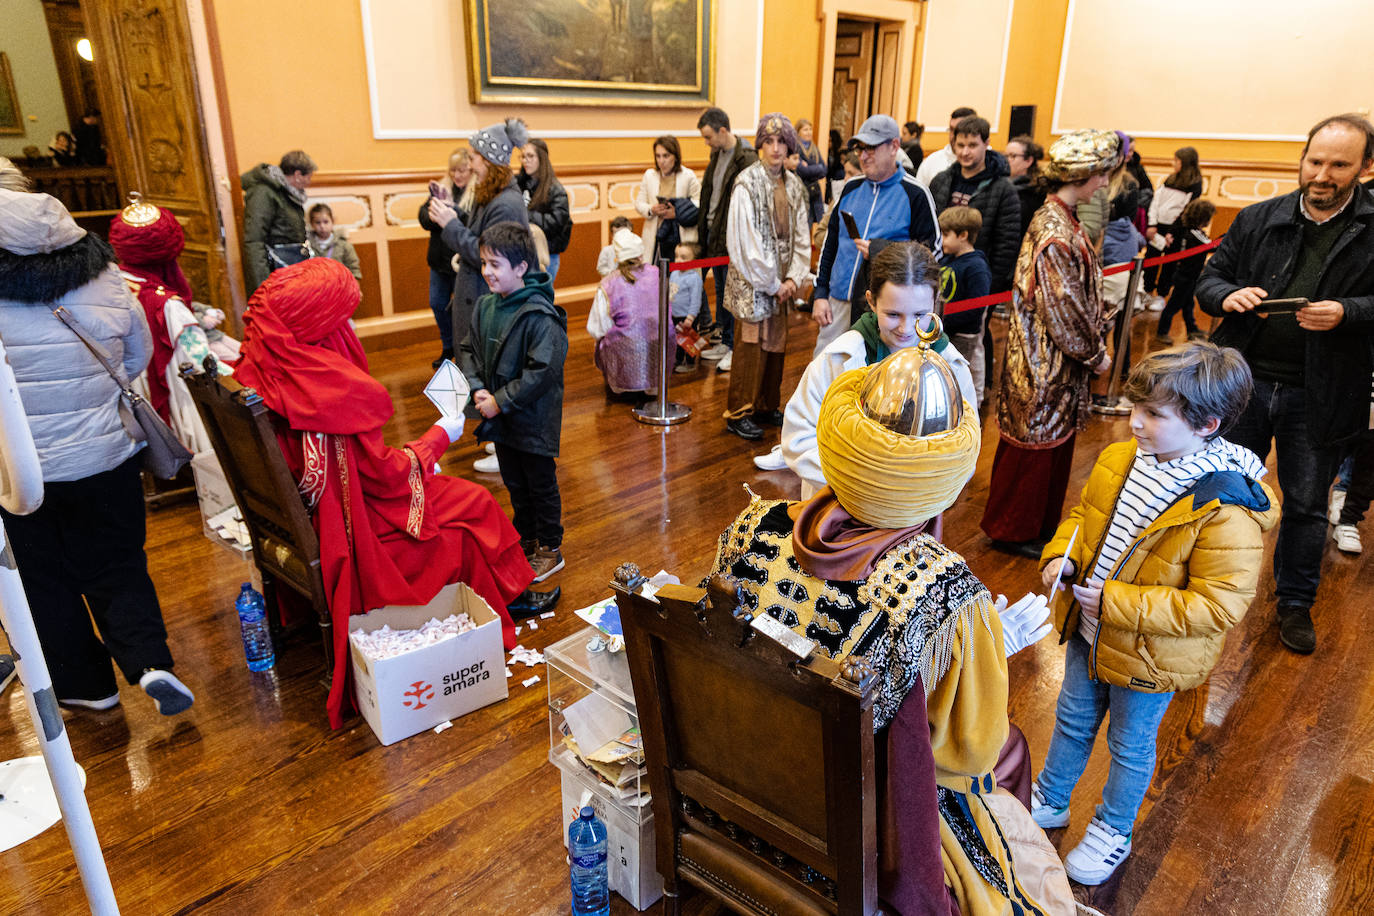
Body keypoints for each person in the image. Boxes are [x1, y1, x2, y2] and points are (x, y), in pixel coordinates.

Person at [712, 354, 1077, 916]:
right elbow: (966, 749)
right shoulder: (950, 594)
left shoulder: (752, 524)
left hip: (739, 752)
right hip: (847, 801)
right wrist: (985, 652)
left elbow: (718, 633)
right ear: (944, 478)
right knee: (1008, 749)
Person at [234, 257, 547, 728]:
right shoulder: (326, 394)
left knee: (460, 495)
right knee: (475, 503)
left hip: (315, 510)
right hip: (354, 525)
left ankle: (505, 593)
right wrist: (438, 438)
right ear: (323, 326)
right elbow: (384, 476)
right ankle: (503, 597)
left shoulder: (265, 366)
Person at [1033, 342, 1277, 885]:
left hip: (1150, 655)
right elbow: (1083, 517)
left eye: (1153, 414)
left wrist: (1117, 603)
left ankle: (1113, 829)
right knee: (1071, 720)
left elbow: (1219, 604)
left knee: (1130, 744)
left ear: (1208, 424)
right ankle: (1050, 797)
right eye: (1134, 406)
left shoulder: (1226, 508)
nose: (1134, 422)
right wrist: (1062, 558)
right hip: (1088, 630)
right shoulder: (1120, 458)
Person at [0, 186, 193, 716]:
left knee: (44, 579)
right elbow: (136, 354)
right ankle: (150, 662)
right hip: (106, 454)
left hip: (21, 472)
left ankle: (88, 686)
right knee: (119, 563)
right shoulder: (105, 274)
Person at [1196, 113, 1374, 654]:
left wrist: (1348, 312)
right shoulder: (1256, 219)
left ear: (1365, 168)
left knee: (1305, 505)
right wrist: (1227, 296)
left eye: (1339, 165)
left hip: (1318, 392)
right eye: (1315, 161)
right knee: (1221, 493)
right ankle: (1209, 586)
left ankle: (1294, 603)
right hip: (1243, 384)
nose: (1322, 174)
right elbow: (1209, 280)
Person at [980, 129, 1120, 557]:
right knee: (1035, 446)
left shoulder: (1060, 218)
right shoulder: (1055, 228)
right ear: (1084, 174)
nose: (1104, 184)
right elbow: (1063, 306)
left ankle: (1033, 527)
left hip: (1051, 359)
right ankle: (1013, 530)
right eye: (1101, 175)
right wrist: (1096, 353)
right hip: (1045, 361)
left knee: (1048, 445)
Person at [761, 241, 976, 492]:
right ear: (871, 301)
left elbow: (966, 446)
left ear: (935, 303)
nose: (906, 329)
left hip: (914, 509)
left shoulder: (953, 366)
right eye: (893, 314)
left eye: (920, 314)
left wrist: (919, 486)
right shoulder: (837, 359)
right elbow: (798, 437)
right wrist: (863, 483)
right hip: (838, 501)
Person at [457, 222, 569, 583]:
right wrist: (477, 390)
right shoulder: (486, 306)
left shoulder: (539, 315)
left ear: (521, 268)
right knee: (514, 483)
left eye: (495, 264)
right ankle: (528, 540)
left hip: (533, 420)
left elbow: (543, 372)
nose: (487, 272)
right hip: (501, 420)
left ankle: (550, 548)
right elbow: (468, 350)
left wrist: (501, 401)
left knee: (539, 484)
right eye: (484, 263)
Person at [108, 194, 238, 455]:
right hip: (177, 405)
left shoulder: (109, 284)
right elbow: (205, 367)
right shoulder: (167, 307)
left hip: (123, 403)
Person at [812, 115, 941, 355]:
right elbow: (830, 245)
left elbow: (931, 255)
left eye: (871, 147)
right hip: (837, 301)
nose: (863, 155)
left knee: (873, 378)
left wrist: (881, 249)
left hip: (884, 312)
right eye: (860, 148)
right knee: (826, 370)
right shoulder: (850, 187)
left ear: (893, 147)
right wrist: (820, 294)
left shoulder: (916, 193)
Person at [721, 113, 810, 441]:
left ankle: (765, 404)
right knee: (750, 345)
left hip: (782, 284)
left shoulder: (795, 184)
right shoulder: (747, 182)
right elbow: (746, 243)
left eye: (782, 142)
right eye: (769, 142)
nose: (775, 148)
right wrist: (772, 283)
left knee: (775, 343)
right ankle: (739, 410)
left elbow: (802, 235)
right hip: (754, 282)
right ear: (760, 144)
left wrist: (794, 278)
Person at [427, 118, 531, 357]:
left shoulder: (506, 203)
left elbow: (488, 255)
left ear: (489, 160)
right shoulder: (493, 193)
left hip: (486, 300)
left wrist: (450, 224)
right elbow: (481, 232)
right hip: (477, 297)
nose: (470, 164)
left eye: (474, 156)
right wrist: (455, 212)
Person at [695, 108, 758, 370]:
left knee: (732, 294)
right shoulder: (716, 154)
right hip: (713, 232)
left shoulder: (746, 158)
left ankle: (733, 346)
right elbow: (710, 194)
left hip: (730, 236)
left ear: (723, 130)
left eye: (709, 136)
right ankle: (724, 339)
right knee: (720, 291)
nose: (706, 142)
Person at [587, 227, 667, 396]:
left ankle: (620, 384)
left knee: (603, 337)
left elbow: (596, 328)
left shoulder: (608, 283)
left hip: (623, 349)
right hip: (658, 346)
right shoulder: (657, 273)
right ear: (641, 254)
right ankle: (651, 383)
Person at [417, 147, 474, 367]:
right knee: (437, 303)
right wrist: (437, 210)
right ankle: (448, 346)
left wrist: (453, 212)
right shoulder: (442, 188)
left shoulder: (477, 193)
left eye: (462, 171)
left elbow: (471, 225)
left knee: (462, 312)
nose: (457, 176)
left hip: (462, 265)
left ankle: (464, 351)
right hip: (439, 263)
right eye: (453, 171)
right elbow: (423, 218)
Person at [241, 149, 316, 292]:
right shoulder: (263, 193)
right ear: (298, 175)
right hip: (275, 274)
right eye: (309, 177)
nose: (309, 182)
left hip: (289, 270)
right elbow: (254, 241)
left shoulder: (285, 192)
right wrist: (263, 287)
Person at [938, 206, 992, 405]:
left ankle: (969, 408)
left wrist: (945, 319)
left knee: (957, 378)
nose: (941, 239)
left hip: (962, 336)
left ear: (963, 235)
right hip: (946, 331)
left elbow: (976, 307)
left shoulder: (976, 267)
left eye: (945, 234)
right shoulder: (948, 260)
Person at [1143, 147, 1204, 307]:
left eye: (1176, 160)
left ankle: (1161, 295)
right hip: (1158, 227)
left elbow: (1186, 210)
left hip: (1176, 230)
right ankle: (1147, 291)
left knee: (1169, 264)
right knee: (1151, 259)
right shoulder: (1170, 179)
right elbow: (1156, 201)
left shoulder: (1195, 183)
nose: (1173, 163)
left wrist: (1172, 232)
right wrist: (1152, 223)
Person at [1154, 198, 1216, 345]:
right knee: (1174, 305)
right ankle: (1162, 332)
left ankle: (1192, 329)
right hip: (1186, 276)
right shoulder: (1194, 234)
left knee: (1188, 304)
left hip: (1189, 276)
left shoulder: (1192, 232)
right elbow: (1211, 246)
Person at [634, 135, 700, 264]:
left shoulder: (688, 176)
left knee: (679, 278)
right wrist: (652, 209)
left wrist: (677, 212)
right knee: (655, 275)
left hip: (681, 235)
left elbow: (699, 203)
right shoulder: (649, 176)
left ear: (675, 156)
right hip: (656, 234)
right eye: (658, 156)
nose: (661, 161)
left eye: (666, 156)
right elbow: (639, 203)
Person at [518, 138, 572, 281]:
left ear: (541, 159)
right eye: (523, 156)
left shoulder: (555, 189)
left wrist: (526, 215)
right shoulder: (519, 183)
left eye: (530, 156)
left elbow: (556, 223)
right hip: (523, 252)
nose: (525, 161)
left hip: (546, 255)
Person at [915, 107, 976, 188]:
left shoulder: (987, 164)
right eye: (951, 129)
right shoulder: (931, 162)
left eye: (959, 130)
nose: (953, 135)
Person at [306, 203, 362, 283]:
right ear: (312, 224)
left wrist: (356, 288)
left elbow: (354, 269)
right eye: (317, 223)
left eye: (326, 222)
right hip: (316, 288)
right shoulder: (307, 245)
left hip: (339, 287)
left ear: (332, 221)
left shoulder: (344, 245)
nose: (322, 226)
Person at [1006, 135, 1045, 248]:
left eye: (1013, 156)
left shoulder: (1035, 190)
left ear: (1028, 161)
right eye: (1006, 156)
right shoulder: (1003, 184)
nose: (1008, 160)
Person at [794, 119, 828, 224]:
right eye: (805, 130)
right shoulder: (796, 148)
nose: (809, 132)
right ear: (798, 132)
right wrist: (817, 168)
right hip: (802, 189)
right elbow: (802, 171)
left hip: (814, 192)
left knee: (815, 222)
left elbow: (824, 170)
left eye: (810, 129)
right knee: (803, 223)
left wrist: (810, 167)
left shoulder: (814, 148)